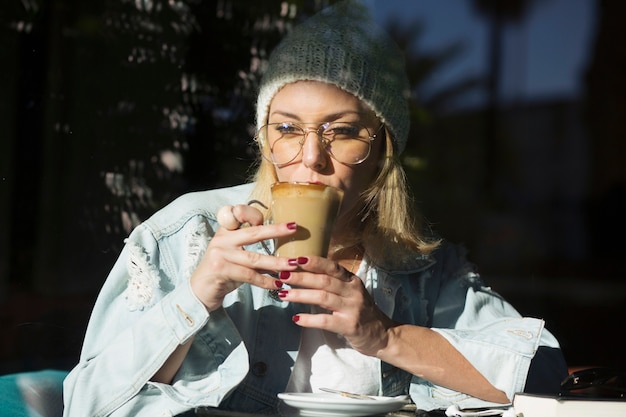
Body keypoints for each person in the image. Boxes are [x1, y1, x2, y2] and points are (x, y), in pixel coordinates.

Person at [58, 1, 568, 416]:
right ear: (266, 140)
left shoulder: (422, 271)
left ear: (382, 152)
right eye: (287, 129)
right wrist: (199, 294)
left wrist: (386, 335)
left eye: (342, 132)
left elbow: (542, 373)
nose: (310, 158)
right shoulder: (188, 233)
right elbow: (86, 407)